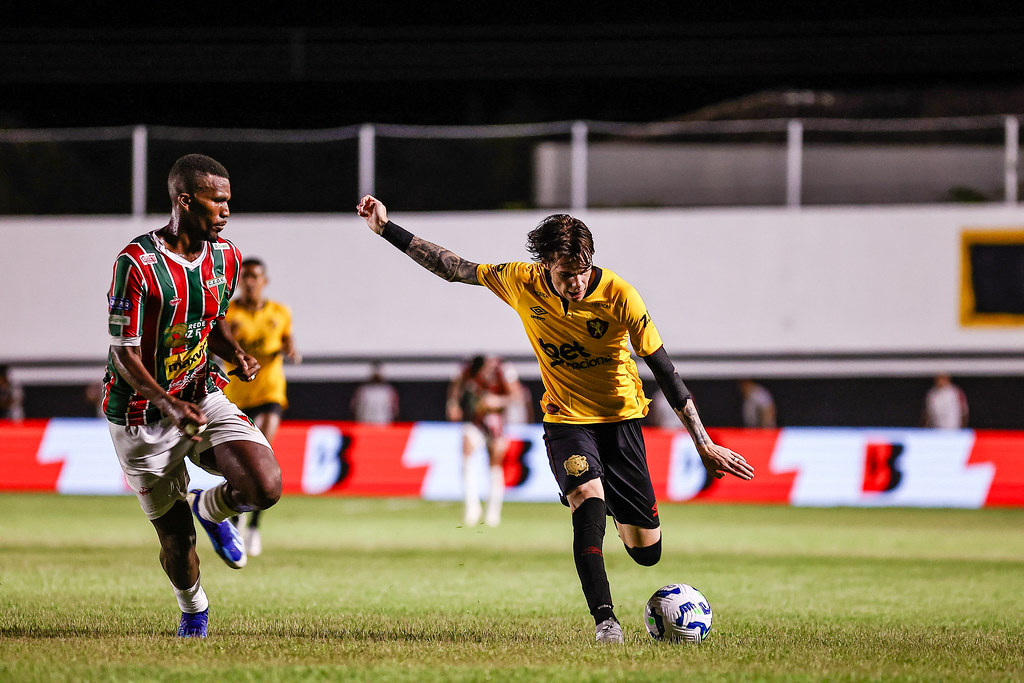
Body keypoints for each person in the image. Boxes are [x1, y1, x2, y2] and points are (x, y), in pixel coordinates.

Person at [356, 194, 754, 643]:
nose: (578, 282)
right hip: (566, 420)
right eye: (567, 273)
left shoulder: (621, 295)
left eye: (584, 270)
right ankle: (606, 622)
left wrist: (704, 443)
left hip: (622, 422)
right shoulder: (520, 280)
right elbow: (456, 267)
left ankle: (605, 509)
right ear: (546, 264)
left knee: (646, 552)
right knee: (587, 496)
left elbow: (664, 370)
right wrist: (386, 228)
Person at [103, 154, 282, 638]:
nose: (226, 209)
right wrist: (167, 404)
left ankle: (211, 507)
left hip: (199, 392)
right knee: (177, 543)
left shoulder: (226, 256)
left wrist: (236, 351)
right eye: (216, 200)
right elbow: (123, 354)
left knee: (265, 486)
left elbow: (212, 319)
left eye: (229, 200)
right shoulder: (137, 263)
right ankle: (194, 610)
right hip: (141, 413)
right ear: (185, 199)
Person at [221, 257, 300, 557]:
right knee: (241, 462)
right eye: (247, 277)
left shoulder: (280, 312)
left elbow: (287, 338)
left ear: (265, 281)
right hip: (237, 395)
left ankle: (253, 525)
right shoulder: (229, 313)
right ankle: (236, 517)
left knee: (263, 455)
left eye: (256, 277)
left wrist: (291, 347)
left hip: (270, 392)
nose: (251, 282)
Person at [447, 354, 515, 527]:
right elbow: (456, 382)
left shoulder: (503, 372)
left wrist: (497, 401)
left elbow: (516, 395)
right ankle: (472, 508)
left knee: (495, 464)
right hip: (476, 422)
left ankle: (493, 513)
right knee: (466, 455)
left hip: (496, 423)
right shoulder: (469, 371)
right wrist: (453, 403)